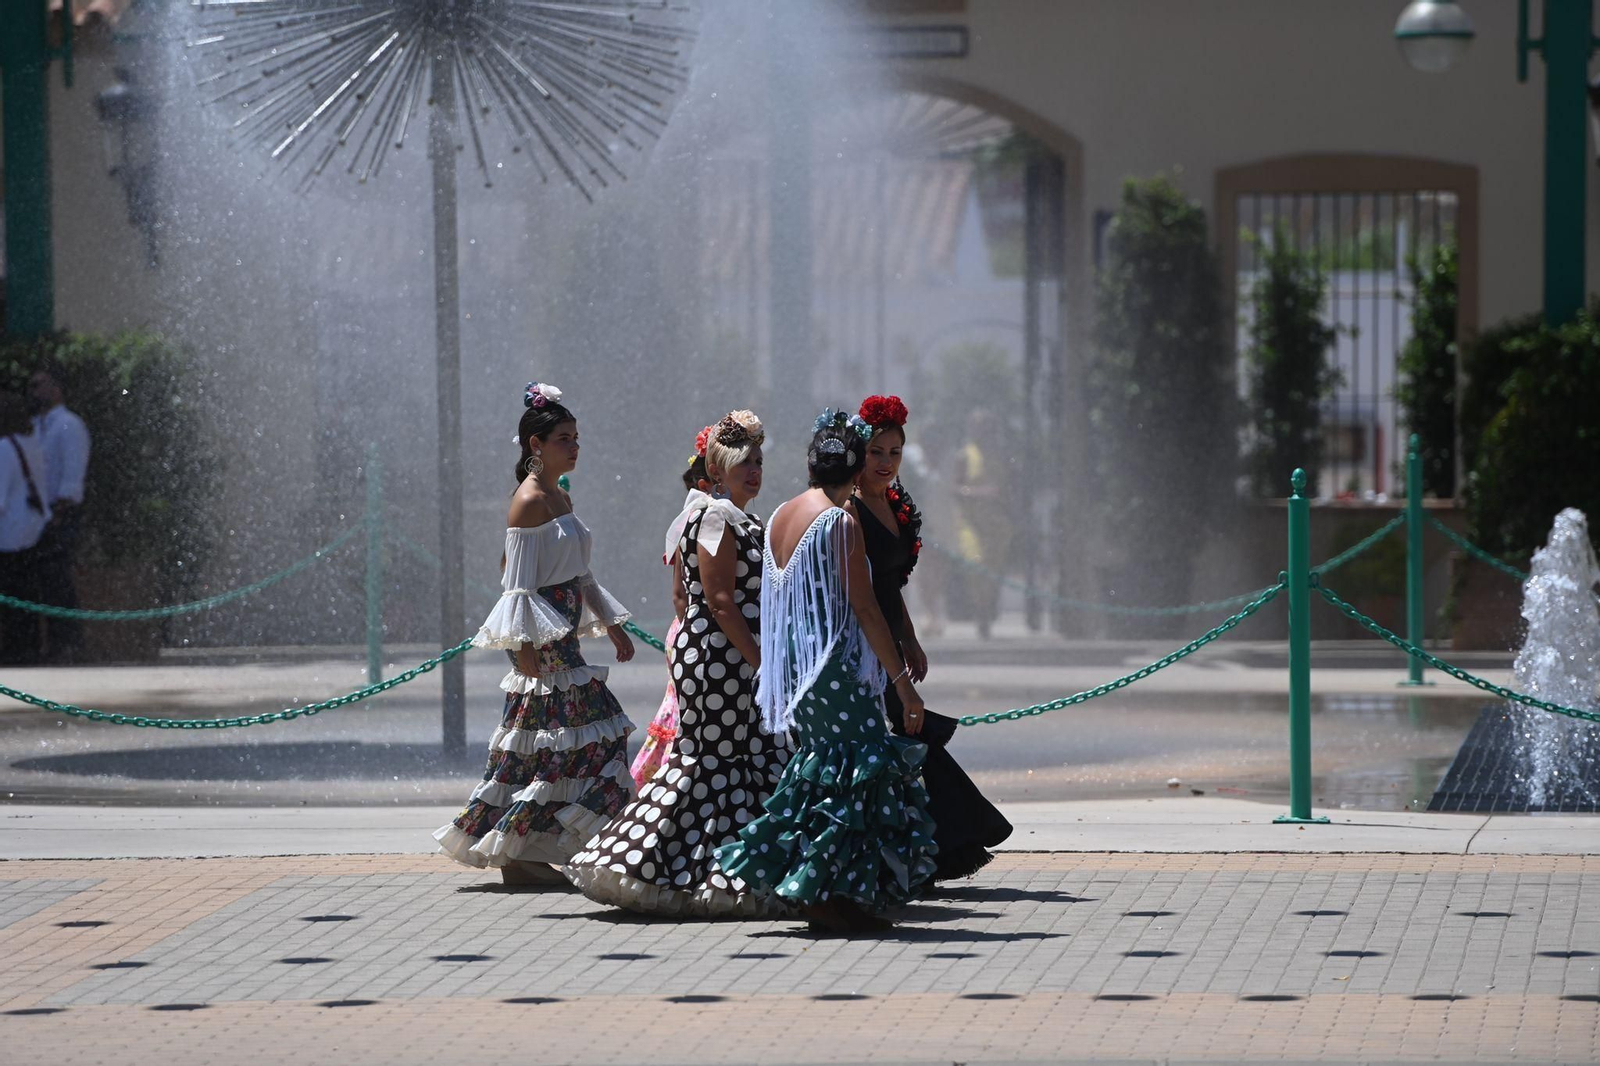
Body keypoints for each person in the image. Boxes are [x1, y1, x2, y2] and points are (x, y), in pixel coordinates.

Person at [714, 408, 937, 935]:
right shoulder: (840, 522)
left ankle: (828, 892)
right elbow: (864, 609)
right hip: (833, 663)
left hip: (795, 667)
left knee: (824, 773)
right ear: (856, 471)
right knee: (859, 773)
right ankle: (826, 893)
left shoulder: (781, 515)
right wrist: (903, 687)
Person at [568, 411, 792, 917]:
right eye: (742, 464)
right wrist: (762, 663)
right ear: (717, 470)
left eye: (758, 462)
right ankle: (658, 865)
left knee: (745, 759)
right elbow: (718, 600)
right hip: (720, 660)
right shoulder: (713, 517)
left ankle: (735, 869)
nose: (754, 471)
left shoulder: (739, 516)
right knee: (711, 762)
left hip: (727, 657)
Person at [434, 382, 636, 886]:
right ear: (536, 446)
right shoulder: (527, 502)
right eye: (564, 438)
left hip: (564, 634)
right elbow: (516, 585)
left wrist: (611, 625)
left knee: (552, 747)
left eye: (576, 437)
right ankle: (520, 850)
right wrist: (524, 652)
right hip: (542, 644)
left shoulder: (559, 495)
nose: (574, 446)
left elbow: (580, 574)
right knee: (565, 742)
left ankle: (526, 849)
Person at [849, 395, 1012, 880]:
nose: (885, 463)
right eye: (876, 452)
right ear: (859, 454)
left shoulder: (893, 505)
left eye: (894, 453)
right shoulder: (848, 511)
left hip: (888, 640)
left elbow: (892, 585)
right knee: (907, 736)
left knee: (907, 739)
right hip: (858, 645)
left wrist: (912, 640)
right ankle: (942, 844)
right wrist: (897, 668)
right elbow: (863, 597)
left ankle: (927, 850)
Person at [629, 431, 713, 789]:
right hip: (693, 631)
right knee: (686, 715)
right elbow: (679, 594)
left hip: (690, 631)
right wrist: (695, 633)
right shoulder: (698, 521)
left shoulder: (711, 517)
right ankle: (668, 785)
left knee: (684, 713)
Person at [29, 364, 88, 662]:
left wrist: (59, 512)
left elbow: (71, 476)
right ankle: (47, 645)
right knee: (38, 582)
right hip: (35, 517)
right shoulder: (35, 426)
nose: (35, 391)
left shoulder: (68, 425)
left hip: (59, 514)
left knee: (58, 581)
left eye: (41, 384)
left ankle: (68, 644)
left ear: (56, 388)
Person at [0, 393, 51, 664]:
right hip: (35, 532)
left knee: (11, 601)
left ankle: (15, 652)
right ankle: (31, 650)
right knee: (29, 597)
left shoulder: (4, 448)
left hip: (10, 537)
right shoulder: (34, 444)